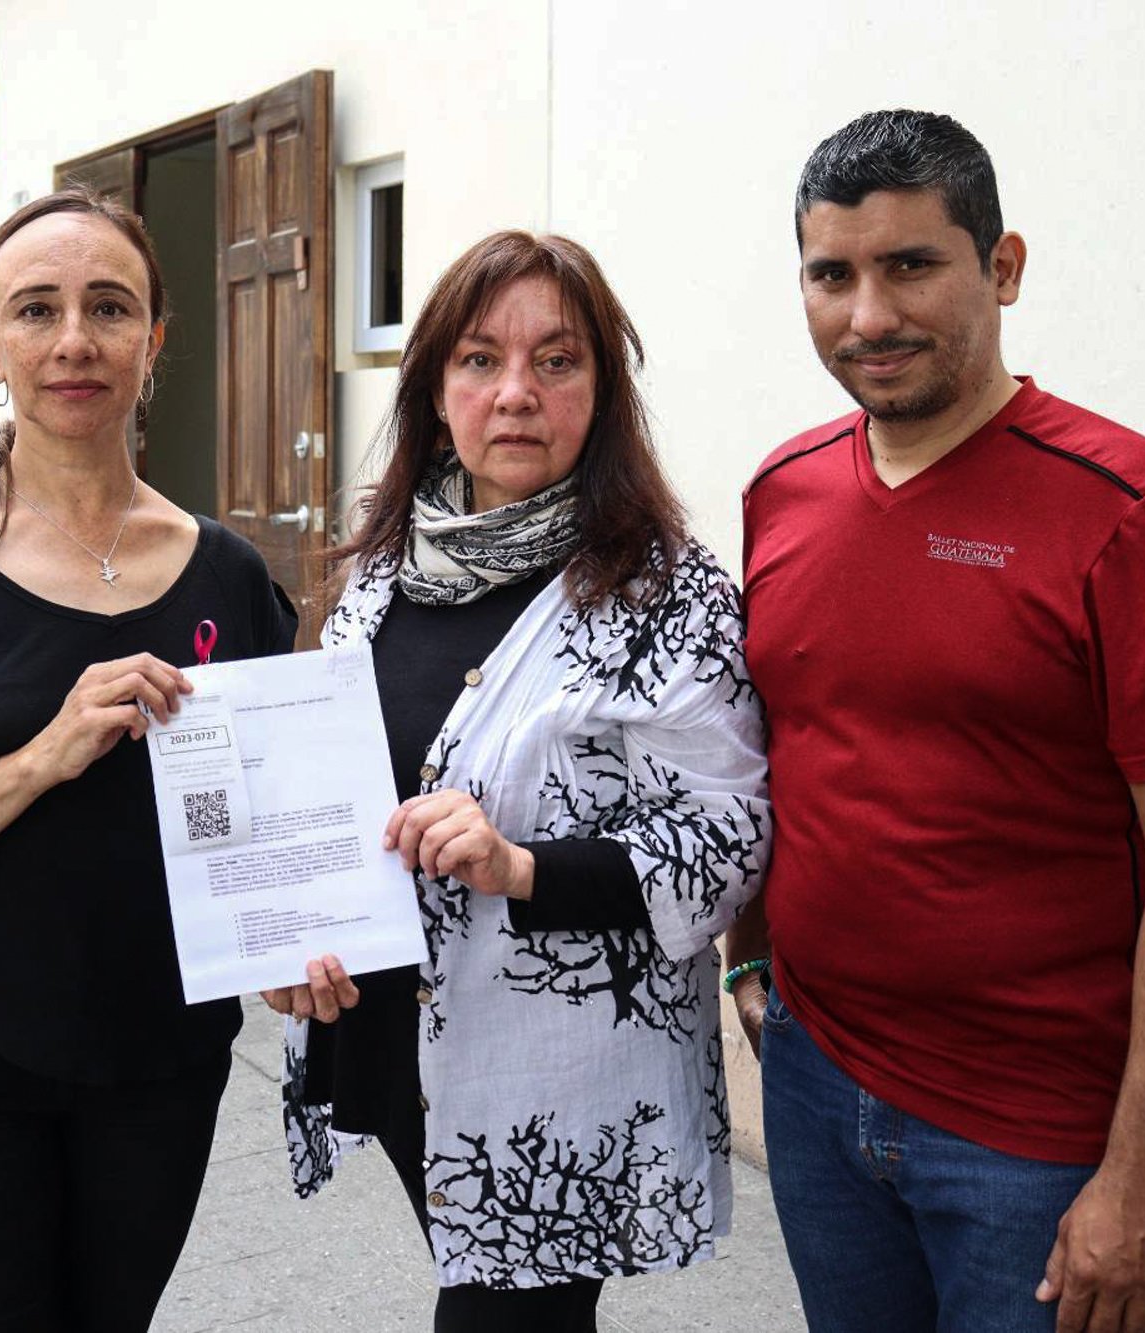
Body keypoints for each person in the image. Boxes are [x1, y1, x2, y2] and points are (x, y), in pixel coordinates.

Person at [728, 109, 1145, 1333]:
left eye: (909, 264)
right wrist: (748, 954)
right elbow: (783, 749)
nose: (867, 314)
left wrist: (1144, 1176)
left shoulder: (1132, 512)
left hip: (1031, 1140)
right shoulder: (782, 490)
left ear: (1003, 266)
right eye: (830, 275)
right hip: (815, 1087)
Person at [0, 186, 297, 1331]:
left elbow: (265, 828)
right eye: (36, 309)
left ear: (152, 338)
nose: (74, 339)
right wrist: (42, 756)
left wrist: (294, 943)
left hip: (161, 1060)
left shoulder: (229, 576)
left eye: (108, 307)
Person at [264, 231, 771, 1330]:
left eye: (556, 360)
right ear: (434, 387)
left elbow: (728, 840)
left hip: (552, 1079)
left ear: (603, 390)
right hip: (390, 1032)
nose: (515, 394)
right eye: (480, 359)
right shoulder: (386, 566)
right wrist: (289, 932)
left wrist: (522, 866)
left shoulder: (669, 594)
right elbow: (338, 792)